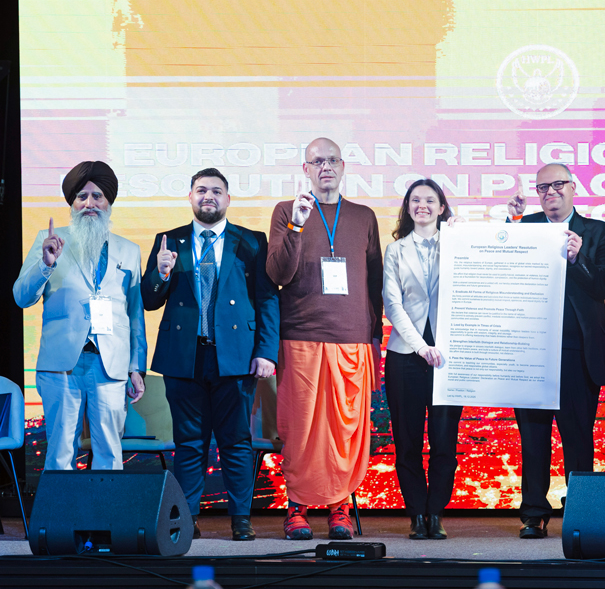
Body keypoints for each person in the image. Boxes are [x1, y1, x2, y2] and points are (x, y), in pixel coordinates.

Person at [141, 168, 280, 541]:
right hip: (183, 358)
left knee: (236, 442)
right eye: (201, 190)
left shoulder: (252, 241)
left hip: (236, 358)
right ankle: (187, 520)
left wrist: (267, 351)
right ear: (190, 197)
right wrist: (161, 273)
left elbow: (267, 298)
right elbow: (149, 300)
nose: (208, 196)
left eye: (216, 191)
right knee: (189, 445)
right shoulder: (168, 241)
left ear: (228, 199)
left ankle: (241, 520)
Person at [266, 137, 383, 541]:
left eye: (332, 160)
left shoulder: (364, 216)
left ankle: (339, 509)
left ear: (343, 166)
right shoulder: (287, 211)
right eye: (317, 161)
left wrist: (373, 336)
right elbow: (278, 274)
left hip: (352, 340)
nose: (325, 167)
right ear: (306, 169)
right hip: (301, 336)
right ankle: (296, 508)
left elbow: (374, 282)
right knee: (300, 430)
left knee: (345, 432)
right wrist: (297, 225)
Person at [506, 162, 605, 539]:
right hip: (531, 350)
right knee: (533, 437)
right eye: (543, 187)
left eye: (558, 185)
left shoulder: (600, 232)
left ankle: (581, 511)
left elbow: (604, 288)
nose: (550, 192)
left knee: (578, 437)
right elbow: (504, 269)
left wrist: (577, 258)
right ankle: (534, 514)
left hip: (578, 350)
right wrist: (510, 225)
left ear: (573, 187)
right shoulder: (524, 226)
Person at [14, 161, 146, 470]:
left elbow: (135, 313)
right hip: (61, 365)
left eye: (97, 196)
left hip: (109, 365)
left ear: (108, 203)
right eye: (82, 197)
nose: (89, 203)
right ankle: (61, 506)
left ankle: (107, 506)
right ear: (72, 203)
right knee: (60, 453)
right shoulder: (49, 241)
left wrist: (136, 366)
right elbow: (21, 297)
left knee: (109, 454)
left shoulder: (129, 250)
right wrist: (45, 264)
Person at [383, 179, 464, 540]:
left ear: (442, 207)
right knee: (408, 441)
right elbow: (392, 304)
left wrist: (462, 239)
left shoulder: (457, 244)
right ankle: (416, 513)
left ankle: (436, 512)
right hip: (406, 356)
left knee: (444, 442)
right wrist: (420, 346)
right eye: (415, 200)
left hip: (449, 356)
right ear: (408, 207)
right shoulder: (395, 250)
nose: (422, 206)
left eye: (430, 200)